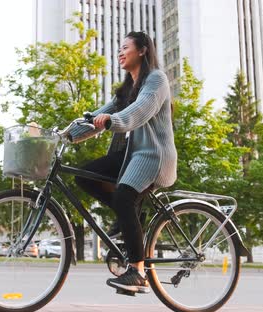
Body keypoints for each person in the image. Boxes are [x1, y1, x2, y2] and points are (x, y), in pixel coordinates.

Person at [68, 31, 177, 294]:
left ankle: (137, 272)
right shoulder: (127, 88)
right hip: (131, 153)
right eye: (119, 47)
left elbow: (140, 110)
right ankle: (131, 213)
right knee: (84, 175)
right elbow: (97, 116)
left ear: (142, 50)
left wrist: (111, 122)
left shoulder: (156, 80)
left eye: (125, 47)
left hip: (153, 154)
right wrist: (65, 134)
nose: (120, 52)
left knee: (123, 197)